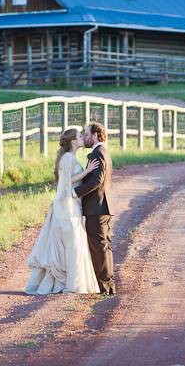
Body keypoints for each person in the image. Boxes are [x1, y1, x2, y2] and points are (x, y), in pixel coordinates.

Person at [25, 127, 100, 295]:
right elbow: (65, 182)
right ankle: (69, 283)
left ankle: (71, 282)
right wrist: (87, 172)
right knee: (71, 244)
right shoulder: (67, 158)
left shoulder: (72, 157)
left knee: (73, 244)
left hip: (72, 205)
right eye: (80, 136)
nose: (82, 138)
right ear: (73, 142)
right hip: (66, 207)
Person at [73, 122, 116, 296]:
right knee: (104, 247)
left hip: (96, 208)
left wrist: (75, 192)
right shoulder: (103, 152)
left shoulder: (97, 153)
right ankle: (108, 285)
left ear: (96, 135)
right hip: (102, 206)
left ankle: (104, 286)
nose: (84, 137)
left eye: (86, 134)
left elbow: (96, 180)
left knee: (99, 248)